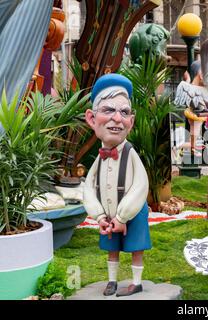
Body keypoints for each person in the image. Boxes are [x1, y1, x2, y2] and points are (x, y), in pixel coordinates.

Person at [83, 73, 151, 297]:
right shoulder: (99, 159)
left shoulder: (130, 154)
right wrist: (100, 216)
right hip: (108, 214)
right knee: (112, 248)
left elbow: (141, 185)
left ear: (131, 121)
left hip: (131, 213)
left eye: (124, 112)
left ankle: (136, 282)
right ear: (92, 119)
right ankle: (112, 280)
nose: (117, 118)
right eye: (109, 110)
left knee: (135, 247)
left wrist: (122, 217)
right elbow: (89, 189)